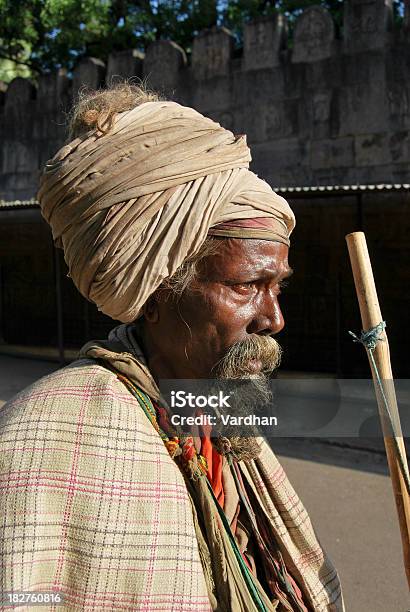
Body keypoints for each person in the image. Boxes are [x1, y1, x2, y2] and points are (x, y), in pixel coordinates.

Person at [0, 84, 344, 611]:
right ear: (157, 294)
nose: (274, 319)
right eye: (246, 286)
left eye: (278, 288)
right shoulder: (43, 442)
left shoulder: (220, 420)